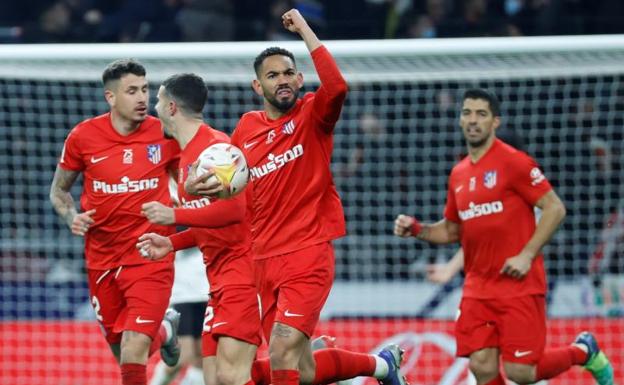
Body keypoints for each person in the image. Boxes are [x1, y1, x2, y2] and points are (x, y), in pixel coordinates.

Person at [186, 9, 406, 385]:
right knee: (298, 369)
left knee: (283, 349)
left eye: (289, 73)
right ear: (258, 87)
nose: (282, 81)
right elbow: (229, 190)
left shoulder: (312, 115)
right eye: (272, 76)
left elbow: (337, 88)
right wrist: (196, 186)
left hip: (307, 252)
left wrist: (305, 31)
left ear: (301, 79)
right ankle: (382, 365)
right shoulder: (246, 128)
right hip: (262, 260)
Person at [393, 89, 615, 385]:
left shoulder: (515, 163)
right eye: (467, 113)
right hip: (477, 288)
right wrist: (418, 229)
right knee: (482, 367)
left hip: (518, 286)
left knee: (521, 372)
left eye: (481, 114)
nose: (473, 121)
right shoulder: (458, 174)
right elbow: (453, 230)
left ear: (494, 122)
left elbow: (555, 208)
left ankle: (583, 351)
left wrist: (526, 254)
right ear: (460, 120)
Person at [49, 58, 181, 385]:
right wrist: (71, 217)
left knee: (134, 348)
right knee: (123, 352)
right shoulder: (83, 137)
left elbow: (184, 178)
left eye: (145, 89)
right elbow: (58, 192)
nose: (142, 98)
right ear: (110, 97)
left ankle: (158, 330)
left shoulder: (164, 131)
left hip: (151, 255)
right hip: (102, 259)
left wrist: (182, 195)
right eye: (132, 91)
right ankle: (165, 331)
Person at [135, 72, 262, 385]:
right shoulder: (187, 154)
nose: (154, 107)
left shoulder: (215, 150)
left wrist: (174, 213)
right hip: (216, 276)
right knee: (215, 377)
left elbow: (234, 210)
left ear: (172, 108)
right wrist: (172, 243)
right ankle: (321, 365)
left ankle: (323, 365)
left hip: (241, 272)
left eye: (158, 101)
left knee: (232, 376)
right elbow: (209, 219)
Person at [149, 246, 208, 385]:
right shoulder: (177, 225)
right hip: (183, 294)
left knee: (202, 357)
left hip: (206, 291)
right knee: (184, 354)